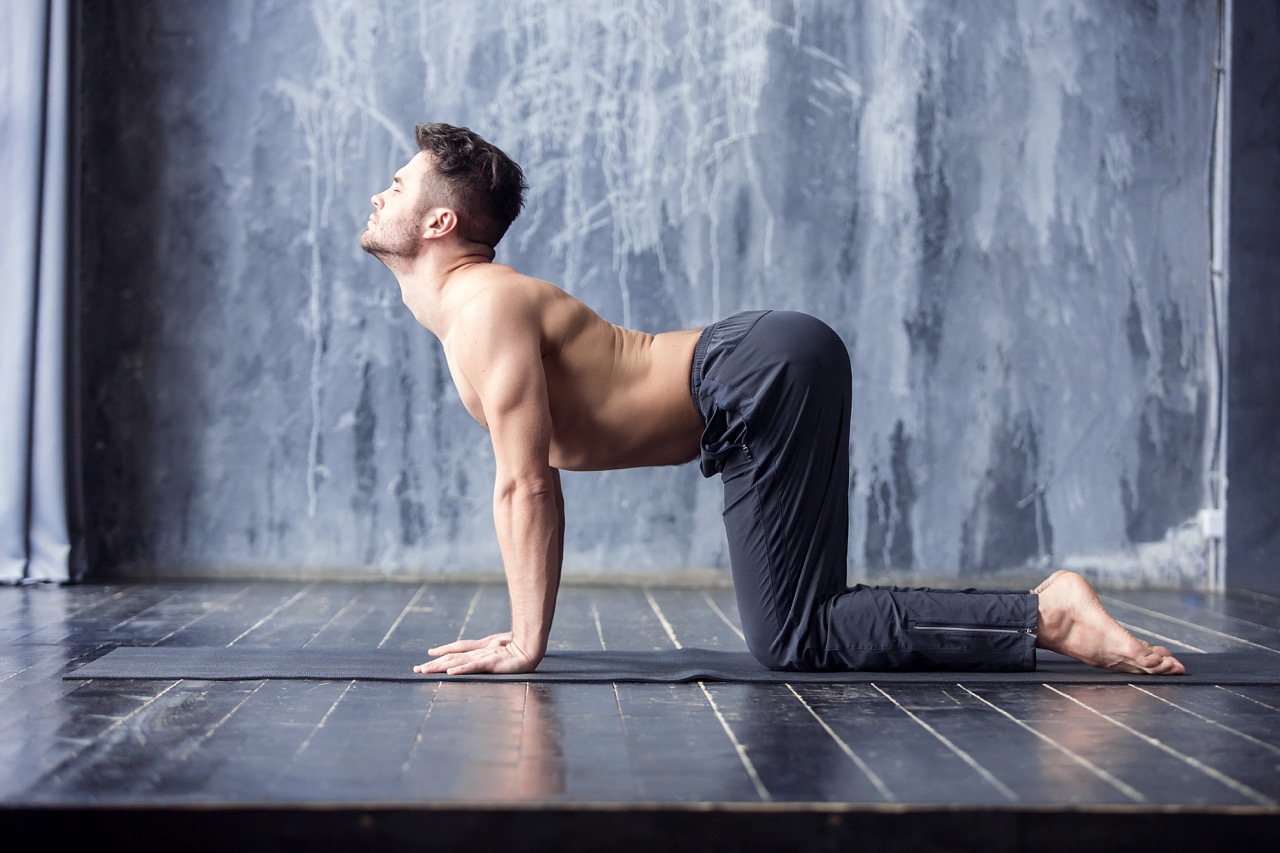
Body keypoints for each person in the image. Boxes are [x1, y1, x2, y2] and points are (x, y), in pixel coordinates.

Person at [359, 122, 1185, 678]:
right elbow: (530, 479)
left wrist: (526, 642)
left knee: (795, 638)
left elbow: (526, 482)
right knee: (804, 624)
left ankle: (1049, 615)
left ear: (438, 222)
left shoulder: (484, 306)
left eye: (396, 186)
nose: (378, 196)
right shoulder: (473, 310)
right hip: (762, 374)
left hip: (752, 376)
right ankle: (1043, 614)